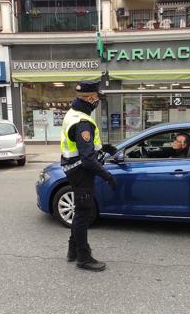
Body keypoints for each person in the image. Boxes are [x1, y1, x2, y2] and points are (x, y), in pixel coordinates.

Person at [60, 81, 117, 272]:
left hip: (73, 169)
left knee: (80, 211)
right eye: (98, 97)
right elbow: (86, 159)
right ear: (91, 98)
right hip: (81, 172)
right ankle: (83, 257)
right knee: (84, 214)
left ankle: (73, 251)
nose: (98, 100)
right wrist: (107, 175)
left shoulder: (74, 113)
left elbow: (84, 147)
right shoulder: (83, 122)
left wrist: (104, 148)